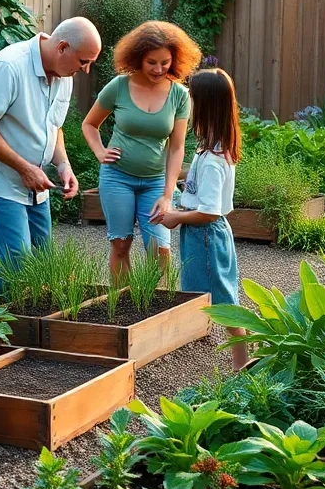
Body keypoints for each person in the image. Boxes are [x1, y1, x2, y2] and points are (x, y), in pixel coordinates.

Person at [0, 17, 102, 292]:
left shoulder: (64, 76)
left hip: (36, 185)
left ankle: (25, 327)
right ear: (62, 47)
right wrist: (24, 168)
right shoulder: (9, 66)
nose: (85, 70)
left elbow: (54, 128)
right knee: (17, 263)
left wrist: (63, 164)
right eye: (83, 61)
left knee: (42, 263)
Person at [82, 21, 200, 277]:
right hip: (117, 178)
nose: (159, 69)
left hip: (156, 182)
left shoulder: (179, 95)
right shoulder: (119, 87)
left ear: (175, 59)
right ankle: (122, 309)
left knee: (160, 249)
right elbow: (89, 124)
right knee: (121, 245)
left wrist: (168, 195)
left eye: (165, 62)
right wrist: (100, 152)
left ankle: (160, 309)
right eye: (151, 62)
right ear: (138, 58)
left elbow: (177, 147)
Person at [154, 68, 247, 371]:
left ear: (205, 104)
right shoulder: (211, 149)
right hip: (203, 234)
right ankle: (240, 360)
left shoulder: (212, 161)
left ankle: (242, 363)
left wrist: (176, 217)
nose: (188, 104)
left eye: (192, 98)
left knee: (221, 301)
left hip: (205, 234)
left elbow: (209, 211)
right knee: (205, 294)